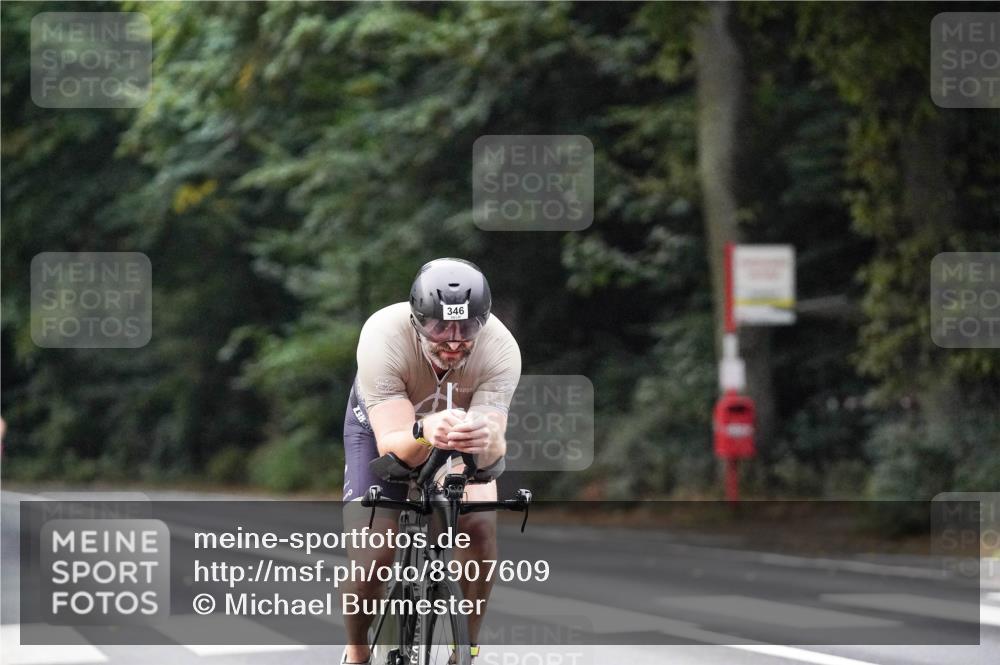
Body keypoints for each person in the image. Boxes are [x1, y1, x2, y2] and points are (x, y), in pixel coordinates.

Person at [341, 258, 521, 664]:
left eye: (467, 328)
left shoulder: (501, 348)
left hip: (454, 435)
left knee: (479, 526)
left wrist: (488, 441)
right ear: (416, 319)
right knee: (373, 559)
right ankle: (357, 651)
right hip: (383, 431)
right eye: (440, 328)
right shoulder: (383, 336)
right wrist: (424, 431)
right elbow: (393, 447)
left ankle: (465, 648)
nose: (453, 342)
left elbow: (490, 457)